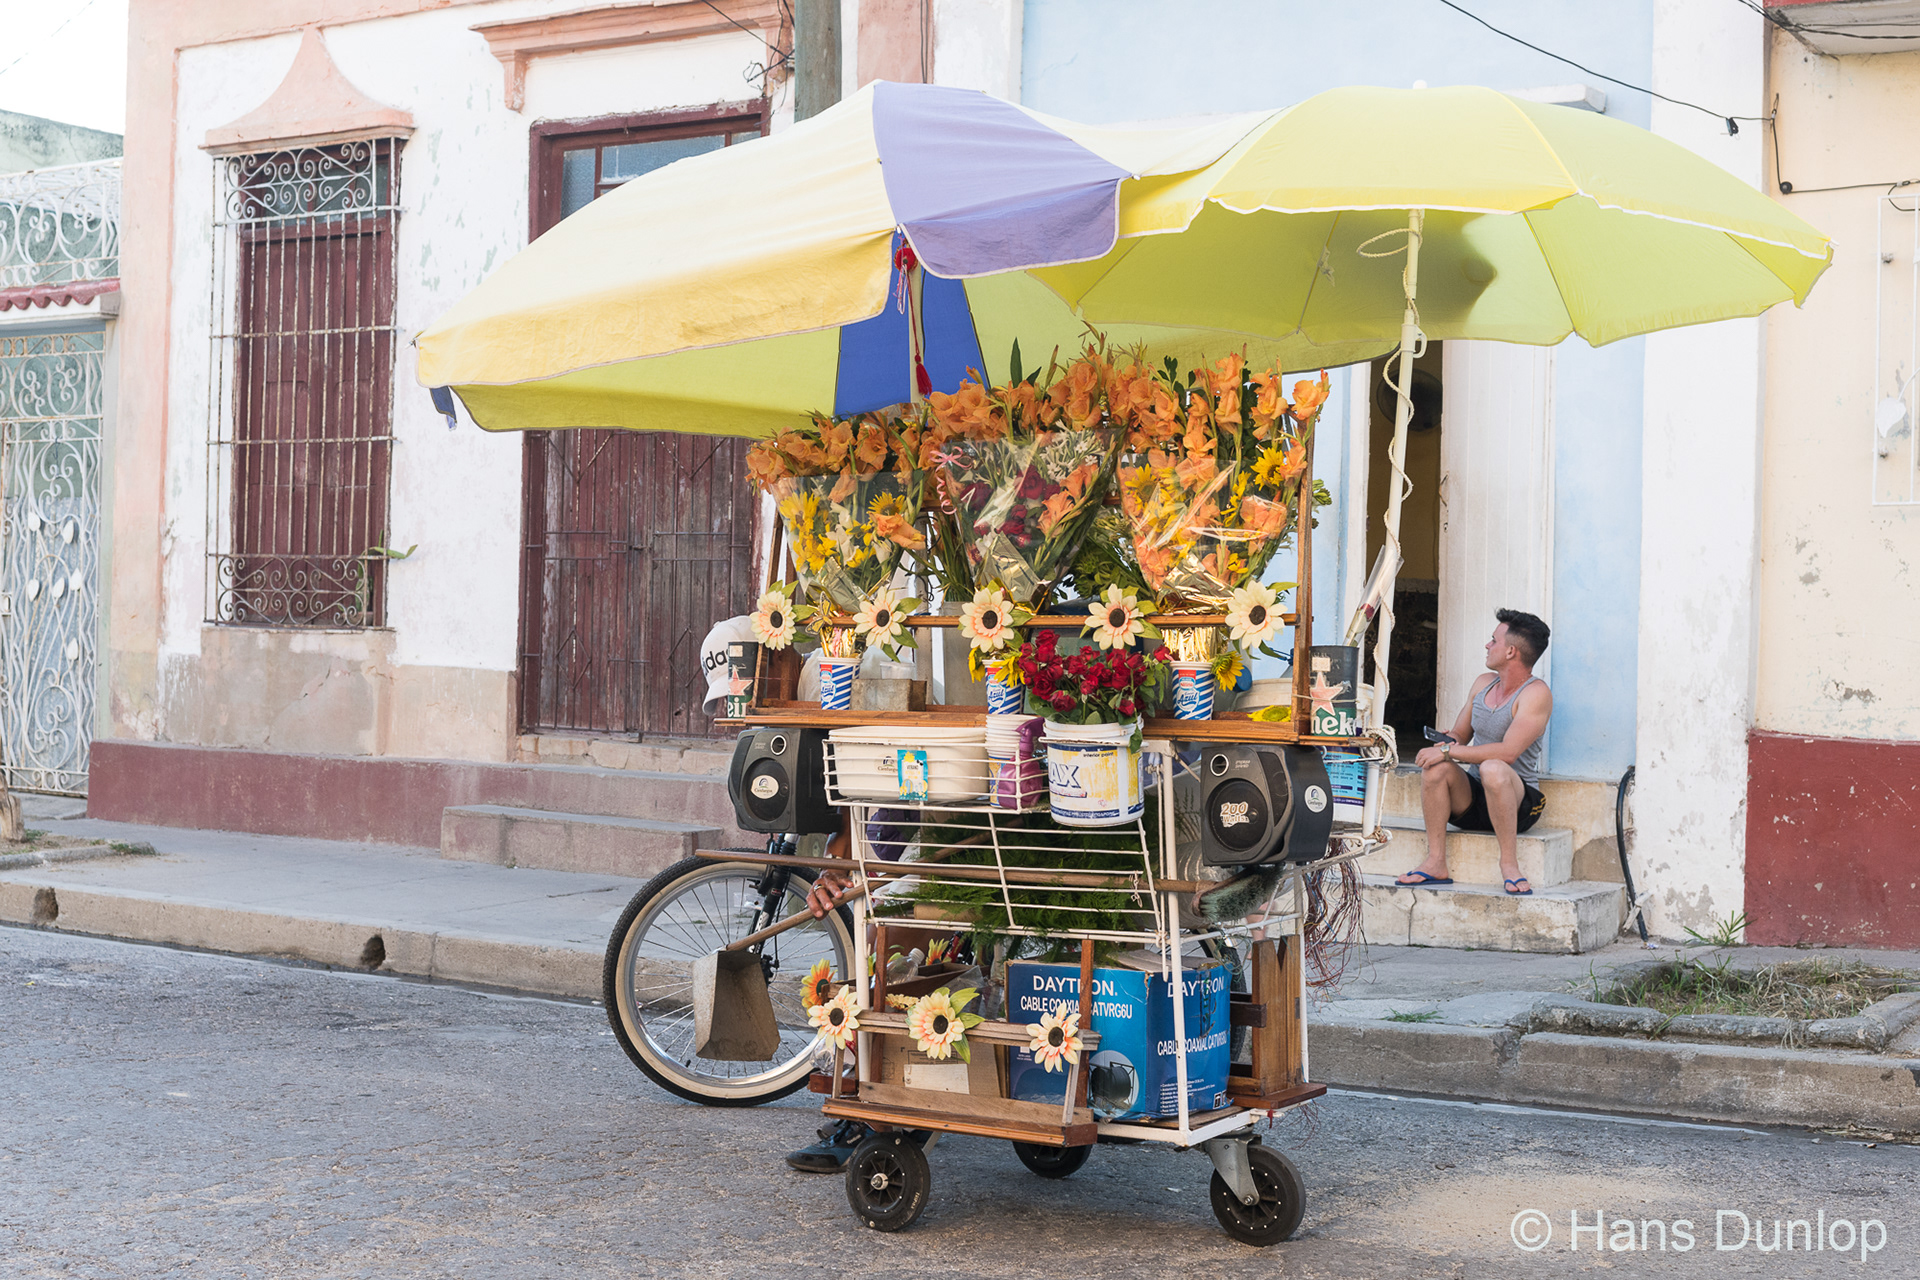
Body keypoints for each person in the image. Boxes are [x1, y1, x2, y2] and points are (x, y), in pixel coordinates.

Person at [1396, 608, 1553, 896]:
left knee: (1493, 767)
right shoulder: (1483, 683)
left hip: (1518, 803)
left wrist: (1448, 751)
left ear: (1511, 652)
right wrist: (1447, 741)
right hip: (1474, 798)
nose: (1487, 645)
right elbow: (1460, 734)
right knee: (1436, 769)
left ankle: (1509, 864)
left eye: (1494, 640)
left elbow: (1508, 753)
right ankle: (1435, 862)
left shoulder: (1536, 694)